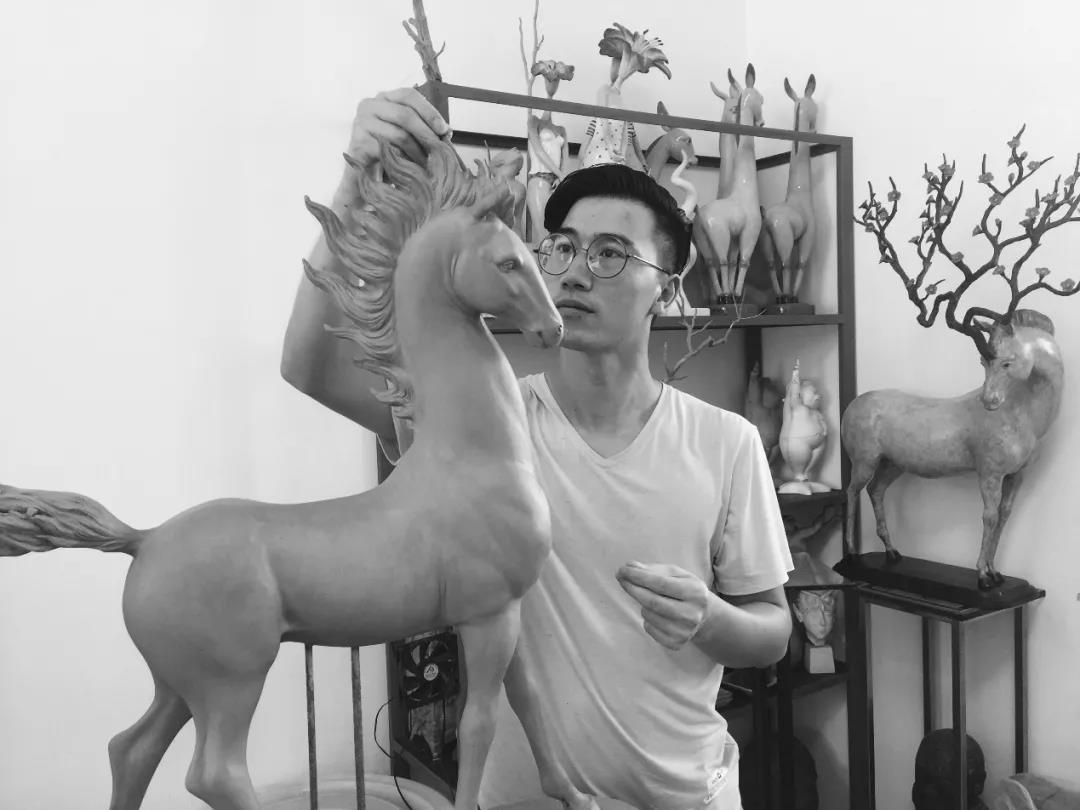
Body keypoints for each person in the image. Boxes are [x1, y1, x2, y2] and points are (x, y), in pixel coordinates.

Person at [281, 87, 793, 810]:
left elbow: (772, 631)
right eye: (564, 248)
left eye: (612, 254)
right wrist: (356, 181)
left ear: (667, 290)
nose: (576, 270)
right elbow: (308, 364)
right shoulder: (480, 427)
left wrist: (710, 619)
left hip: (687, 795)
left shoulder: (726, 441)